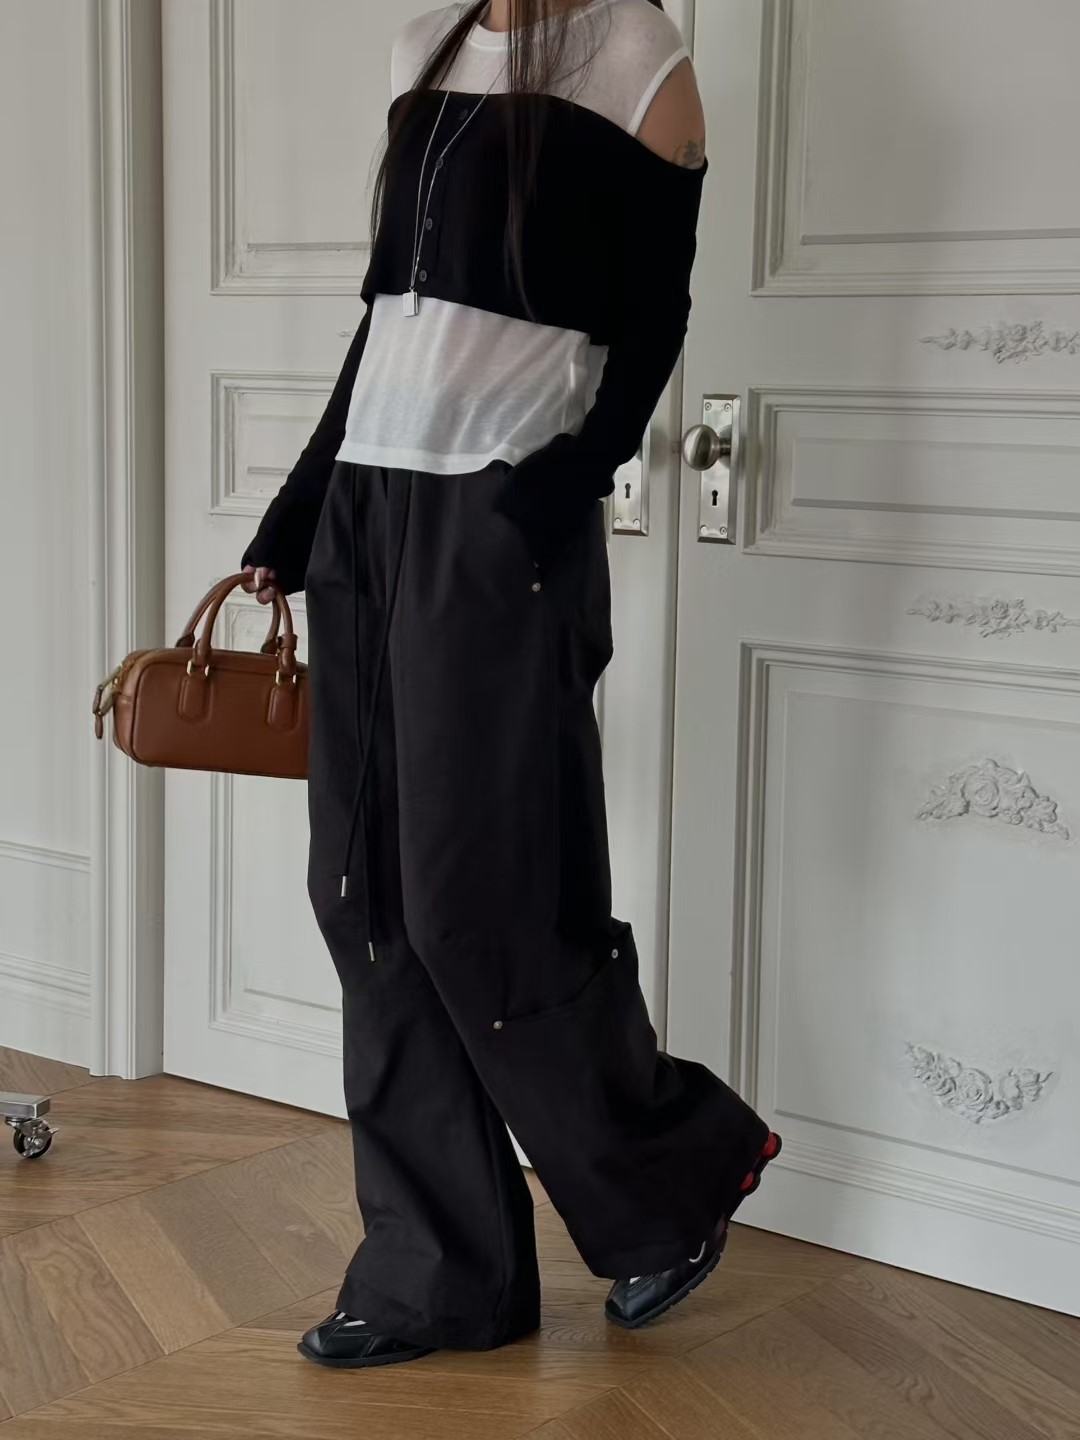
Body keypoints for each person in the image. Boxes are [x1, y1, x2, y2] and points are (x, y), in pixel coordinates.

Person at [240, 0, 780, 1370]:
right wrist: (301, 511)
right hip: (371, 509)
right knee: (362, 899)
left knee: (473, 904)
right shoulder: (424, 42)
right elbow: (392, 322)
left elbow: (654, 313)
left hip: (494, 522)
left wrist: (556, 487)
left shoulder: (638, 56)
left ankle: (670, 1182)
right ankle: (440, 1277)